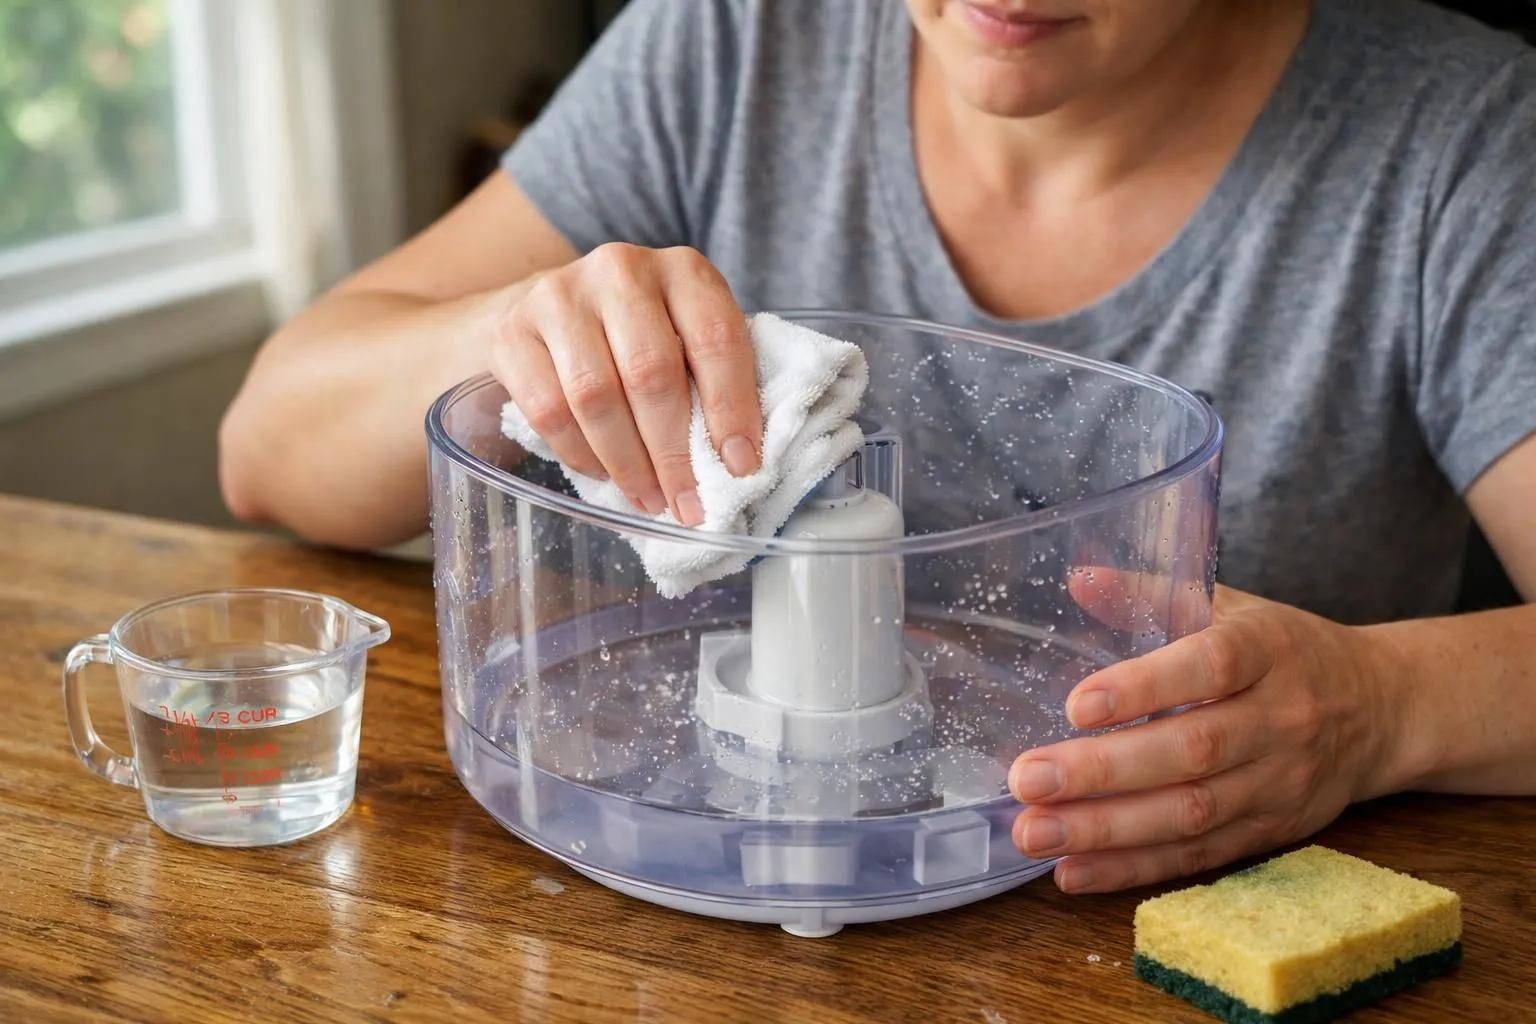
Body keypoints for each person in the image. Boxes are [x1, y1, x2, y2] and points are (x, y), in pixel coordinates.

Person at [217, 0, 1536, 895]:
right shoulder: (739, 43)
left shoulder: (1453, 137)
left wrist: (1383, 708)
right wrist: (513, 330)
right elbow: (270, 452)